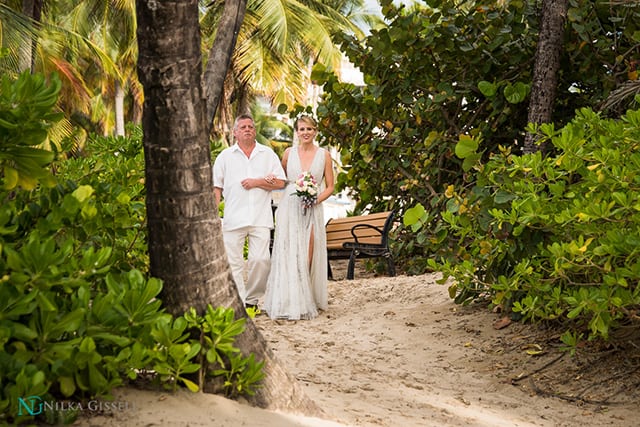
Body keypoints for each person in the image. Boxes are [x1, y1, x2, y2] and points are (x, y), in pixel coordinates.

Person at [263, 115, 335, 320]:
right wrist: (269, 178)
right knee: (289, 252)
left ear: (315, 131)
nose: (306, 133)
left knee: (307, 254)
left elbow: (330, 186)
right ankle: (290, 300)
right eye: (302, 129)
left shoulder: (324, 155)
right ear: (297, 132)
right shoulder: (288, 153)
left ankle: (306, 297)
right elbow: (282, 181)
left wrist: (316, 200)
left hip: (314, 208)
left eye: (309, 129)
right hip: (289, 207)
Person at [213, 114, 286, 311]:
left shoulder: (267, 154)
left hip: (260, 218)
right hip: (233, 218)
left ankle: (252, 300)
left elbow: (281, 183)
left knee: (261, 261)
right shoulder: (224, 157)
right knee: (233, 263)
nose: (247, 129)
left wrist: (257, 182)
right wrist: (213, 214)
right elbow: (216, 188)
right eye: (243, 127)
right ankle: (240, 304)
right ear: (235, 132)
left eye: (250, 126)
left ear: (255, 131)